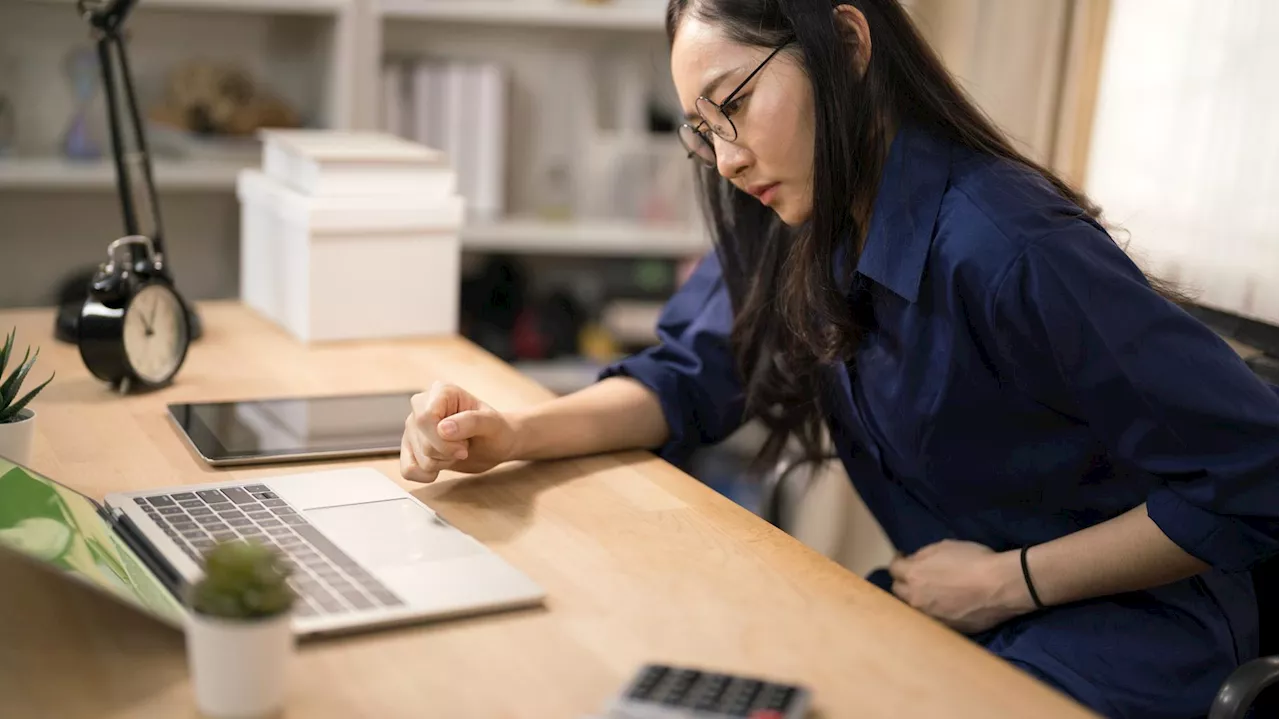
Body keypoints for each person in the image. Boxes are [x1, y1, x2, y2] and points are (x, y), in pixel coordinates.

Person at [400, 1, 1280, 716]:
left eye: (734, 104)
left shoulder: (1006, 244)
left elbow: (1256, 472)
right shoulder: (797, 212)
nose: (729, 158)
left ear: (847, 43)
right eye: (703, 130)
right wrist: (511, 430)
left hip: (1130, 639)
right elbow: (688, 377)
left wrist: (1007, 584)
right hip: (963, 609)